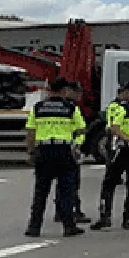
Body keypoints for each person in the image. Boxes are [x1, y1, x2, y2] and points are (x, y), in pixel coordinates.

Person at [24, 77, 87, 238]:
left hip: (43, 150)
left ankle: (34, 227)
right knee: (66, 190)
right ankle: (69, 226)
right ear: (64, 90)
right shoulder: (71, 108)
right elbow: (82, 129)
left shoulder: (38, 108)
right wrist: (70, 135)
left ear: (49, 89)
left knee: (40, 192)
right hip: (63, 150)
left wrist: (31, 152)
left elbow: (31, 132)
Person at [91, 82, 129, 231]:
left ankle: (105, 216)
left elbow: (115, 128)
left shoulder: (123, 108)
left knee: (109, 183)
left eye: (125, 92)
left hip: (123, 150)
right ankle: (128, 219)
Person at [53, 80, 91, 226]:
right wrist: (78, 145)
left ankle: (60, 211)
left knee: (61, 183)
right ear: (69, 91)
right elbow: (80, 128)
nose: (80, 95)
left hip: (57, 147)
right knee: (71, 182)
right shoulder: (71, 107)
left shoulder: (59, 106)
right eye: (78, 92)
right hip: (69, 148)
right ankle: (72, 211)